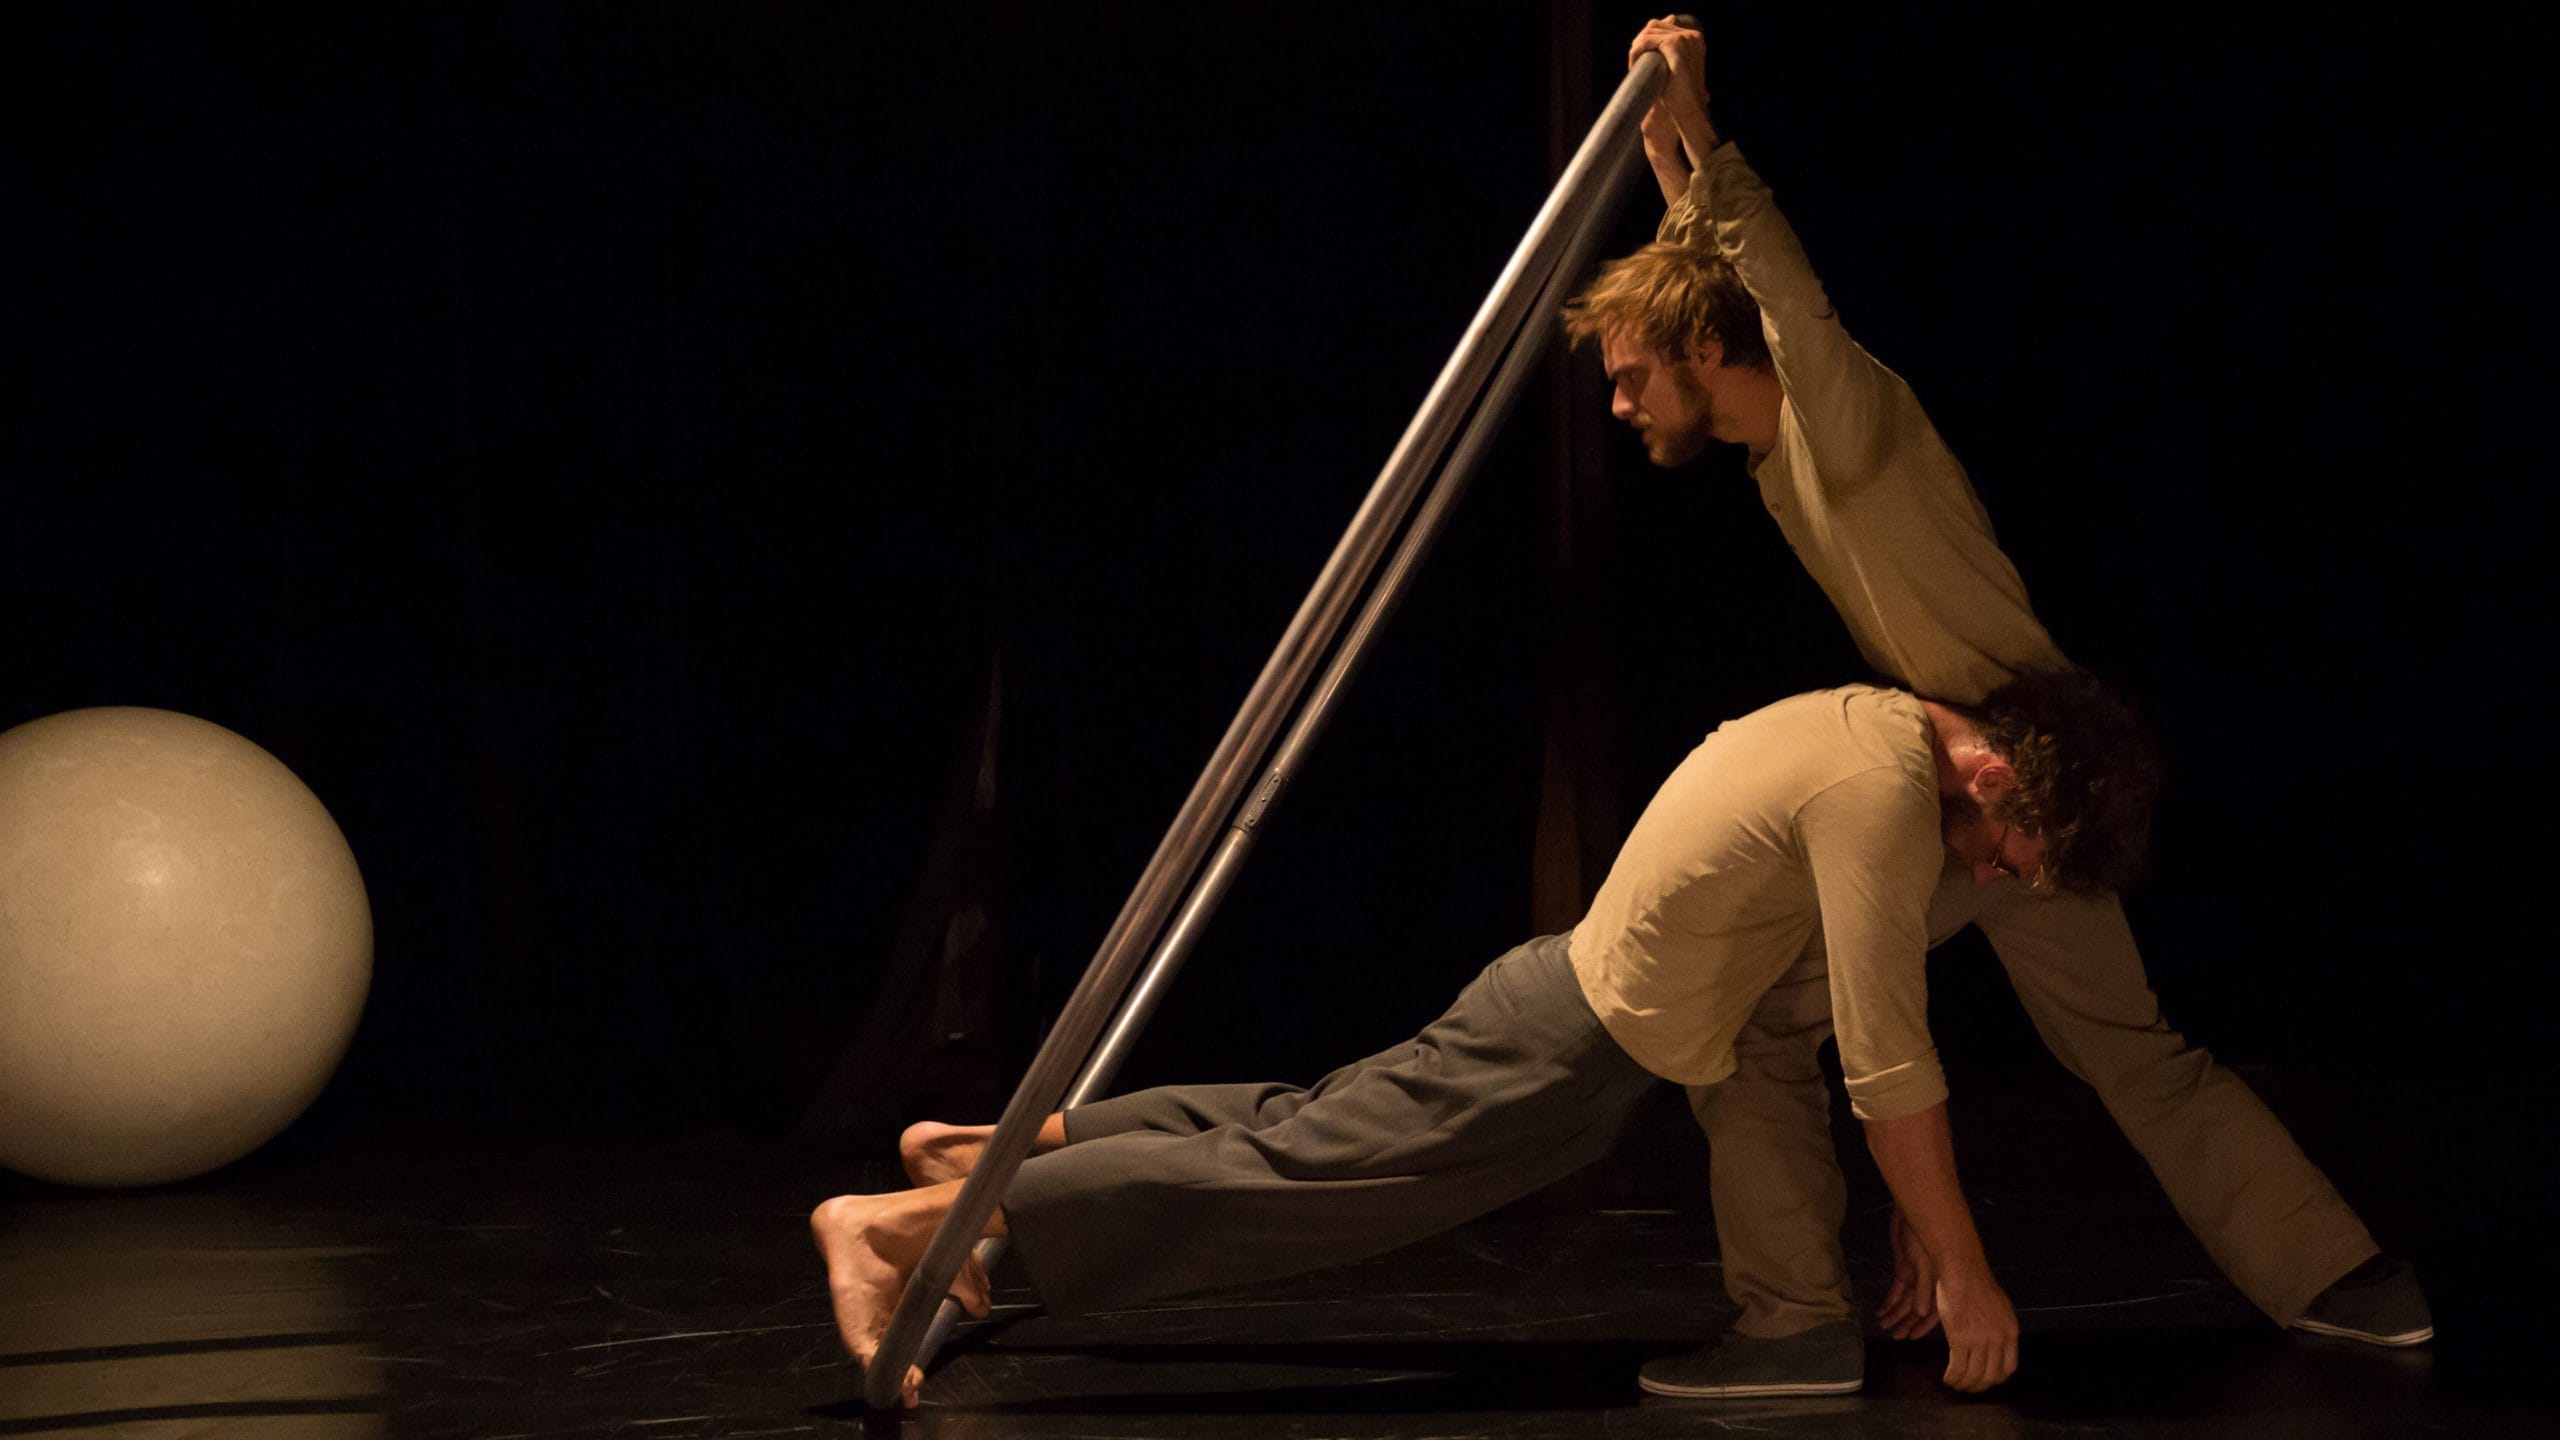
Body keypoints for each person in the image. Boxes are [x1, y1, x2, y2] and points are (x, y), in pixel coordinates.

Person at [1547, 15, 2429, 1399]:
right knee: (1804, 1024)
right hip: (1955, 794)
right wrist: (1664, 157)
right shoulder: (1777, 450)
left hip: (2024, 780)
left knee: (2110, 1043)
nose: (1614, 400)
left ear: (1703, 351)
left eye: (1627, 372)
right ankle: (1800, 1322)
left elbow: (1780, 291)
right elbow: (1722, 291)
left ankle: (2326, 1267)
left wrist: (1701, 126)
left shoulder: (1841, 409)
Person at [814, 673, 2160, 1407]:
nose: (1984, 879)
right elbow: (1887, 1058)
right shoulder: (1881, 797)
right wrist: (1965, 1263)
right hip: (1566, 1046)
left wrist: (1925, 1228)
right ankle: (898, 1232)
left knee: (1301, 1127)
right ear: (1996, 772)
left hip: (1563, 1014)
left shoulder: (1867, 730)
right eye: (2006, 856)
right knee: (1307, 1182)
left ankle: (974, 1157)